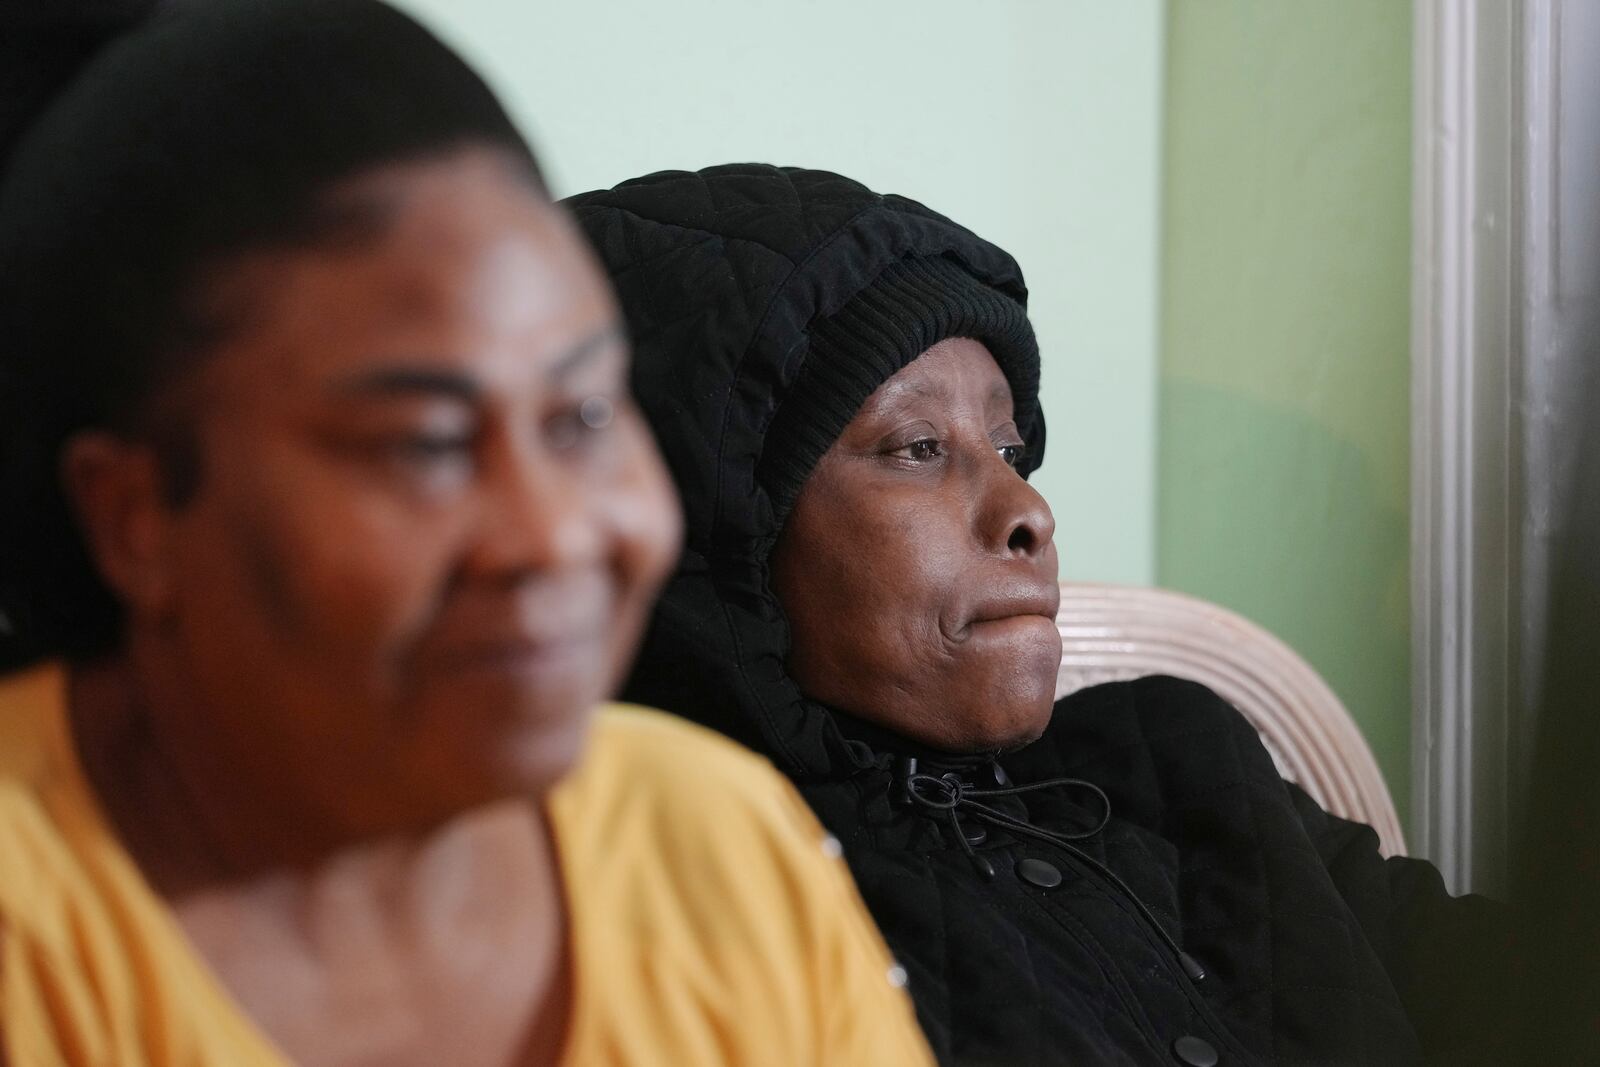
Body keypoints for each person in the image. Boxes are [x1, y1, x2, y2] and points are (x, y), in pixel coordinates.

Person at [0, 8, 933, 1065]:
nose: (550, 533)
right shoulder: (30, 941)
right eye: (426, 444)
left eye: (581, 415)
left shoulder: (712, 842)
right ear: (136, 518)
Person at [566, 164, 1511, 1065]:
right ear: (720, 525)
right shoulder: (696, 892)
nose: (1029, 511)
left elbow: (1518, 985)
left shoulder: (1176, 755)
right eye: (918, 445)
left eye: (1013, 446)